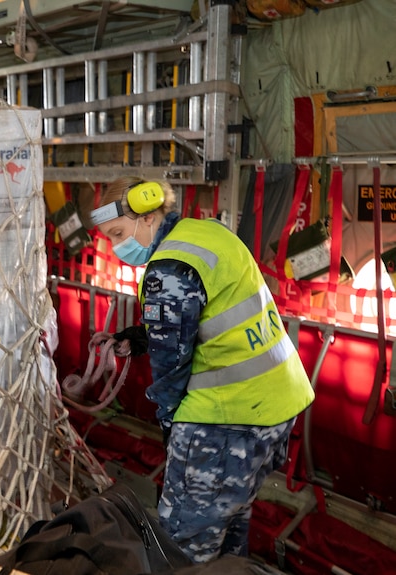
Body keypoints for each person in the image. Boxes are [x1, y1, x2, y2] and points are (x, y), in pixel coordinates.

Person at [90, 177, 315, 563]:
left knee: (182, 544)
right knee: (230, 519)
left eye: (119, 232)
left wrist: (171, 427)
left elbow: (171, 366)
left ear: (147, 216)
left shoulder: (169, 267)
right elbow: (206, 316)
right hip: (276, 407)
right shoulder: (206, 234)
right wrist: (142, 338)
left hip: (227, 418)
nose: (117, 246)